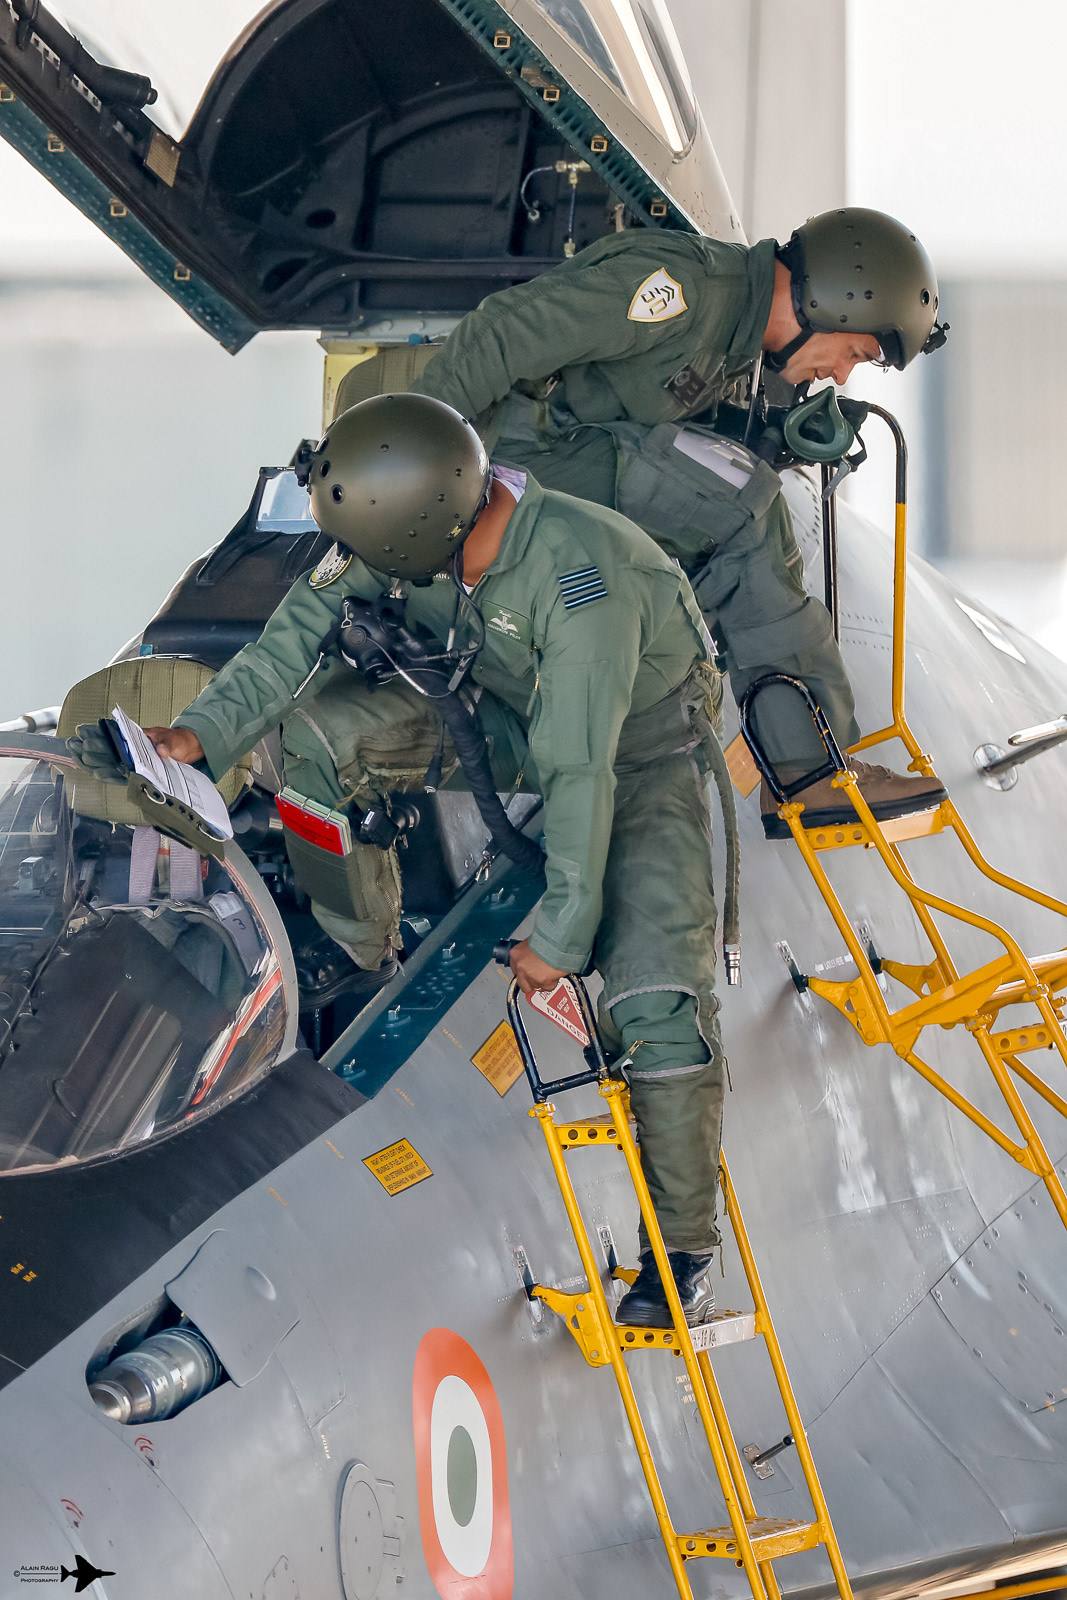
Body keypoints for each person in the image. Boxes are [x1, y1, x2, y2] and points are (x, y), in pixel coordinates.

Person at [73, 394, 733, 1329]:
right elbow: (295, 633)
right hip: (506, 706)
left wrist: (560, 933)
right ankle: (363, 945)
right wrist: (199, 735)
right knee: (312, 740)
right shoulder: (411, 523)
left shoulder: (583, 582)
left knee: (656, 1005)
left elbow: (582, 769)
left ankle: (682, 1250)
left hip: (639, 748)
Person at [413, 205, 950, 836]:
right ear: (829, 301)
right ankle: (805, 770)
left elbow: (669, 419)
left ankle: (800, 762)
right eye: (853, 352)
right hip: (514, 461)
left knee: (750, 494)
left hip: (571, 462)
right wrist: (411, 471)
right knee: (742, 507)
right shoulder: (681, 290)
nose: (840, 373)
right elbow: (499, 335)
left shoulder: (743, 340)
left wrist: (776, 434)